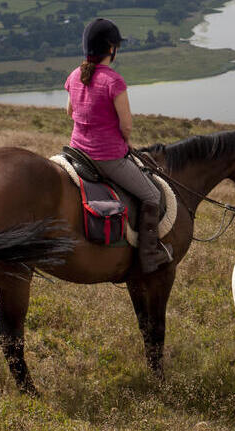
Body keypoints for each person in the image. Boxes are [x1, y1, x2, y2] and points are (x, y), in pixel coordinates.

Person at [65, 18, 170, 273]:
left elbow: (70, 112)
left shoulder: (75, 74)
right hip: (106, 158)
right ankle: (149, 256)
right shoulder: (114, 81)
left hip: (77, 152)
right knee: (152, 195)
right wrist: (125, 141)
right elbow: (126, 125)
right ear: (111, 48)